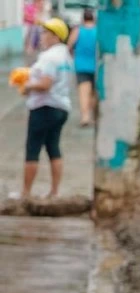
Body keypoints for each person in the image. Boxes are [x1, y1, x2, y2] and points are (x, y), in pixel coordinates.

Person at [20, 17, 72, 199]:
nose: (42, 36)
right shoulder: (65, 55)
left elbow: (45, 84)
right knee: (53, 148)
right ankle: (54, 191)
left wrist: (27, 86)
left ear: (56, 37)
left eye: (46, 33)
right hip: (61, 107)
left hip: (44, 107)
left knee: (32, 149)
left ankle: (25, 193)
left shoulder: (50, 57)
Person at [68, 8, 97, 127]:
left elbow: (69, 45)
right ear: (93, 18)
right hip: (96, 65)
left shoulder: (77, 30)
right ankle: (94, 117)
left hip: (81, 65)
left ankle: (85, 117)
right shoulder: (98, 31)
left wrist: (73, 55)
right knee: (94, 93)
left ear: (83, 18)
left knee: (83, 92)